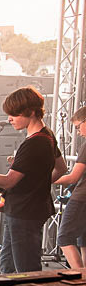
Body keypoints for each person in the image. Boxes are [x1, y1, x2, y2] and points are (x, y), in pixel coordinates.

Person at [0, 86, 66, 274]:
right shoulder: (47, 135)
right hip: (27, 209)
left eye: (14, 114)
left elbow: (8, 182)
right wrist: (37, 185)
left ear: (30, 112)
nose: (9, 119)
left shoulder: (33, 143)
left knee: (25, 269)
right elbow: (61, 168)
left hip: (24, 212)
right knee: (8, 263)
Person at [52, 106, 86, 268]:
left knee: (64, 238)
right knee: (83, 240)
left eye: (78, 127)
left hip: (81, 198)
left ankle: (80, 280)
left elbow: (73, 177)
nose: (78, 132)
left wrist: (46, 179)